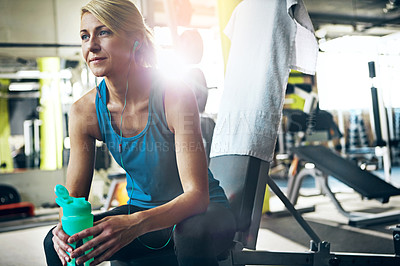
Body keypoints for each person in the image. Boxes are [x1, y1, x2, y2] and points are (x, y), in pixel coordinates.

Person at [43, 0, 236, 265]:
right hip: (142, 213)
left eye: (104, 32)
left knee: (190, 234)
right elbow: (74, 201)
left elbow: (196, 197)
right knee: (59, 244)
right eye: (85, 36)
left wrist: (134, 224)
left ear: (136, 40)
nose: (91, 46)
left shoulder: (174, 96)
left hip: (203, 214)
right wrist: (64, 228)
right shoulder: (83, 112)